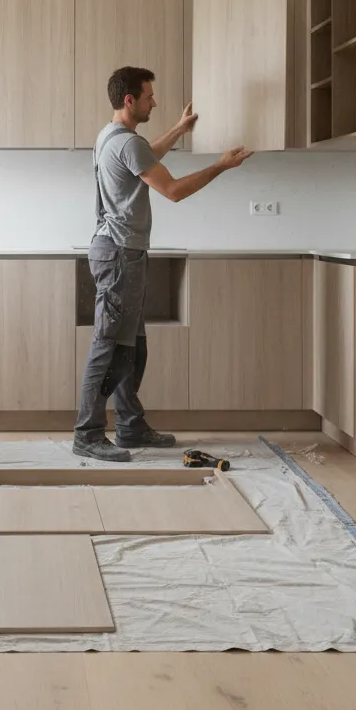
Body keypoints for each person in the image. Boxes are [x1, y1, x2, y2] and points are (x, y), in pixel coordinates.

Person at [73, 66, 254, 462]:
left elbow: (146, 156)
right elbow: (172, 190)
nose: (154, 101)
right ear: (130, 100)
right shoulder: (126, 143)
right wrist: (221, 165)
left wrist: (178, 129)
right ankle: (87, 434)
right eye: (150, 96)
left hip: (119, 252)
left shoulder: (112, 137)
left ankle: (130, 426)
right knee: (110, 348)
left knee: (131, 348)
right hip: (121, 254)